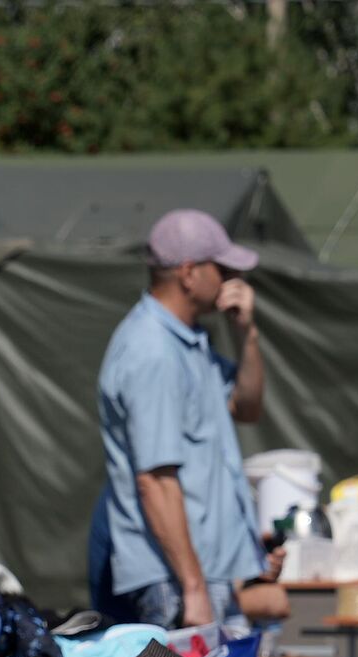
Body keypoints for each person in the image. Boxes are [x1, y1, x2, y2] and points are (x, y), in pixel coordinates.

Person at [91, 208, 266, 630]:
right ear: (189, 273)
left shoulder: (187, 342)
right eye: (221, 269)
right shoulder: (153, 352)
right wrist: (193, 588)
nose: (230, 280)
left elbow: (247, 407)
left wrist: (248, 334)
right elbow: (155, 481)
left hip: (206, 573)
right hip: (176, 582)